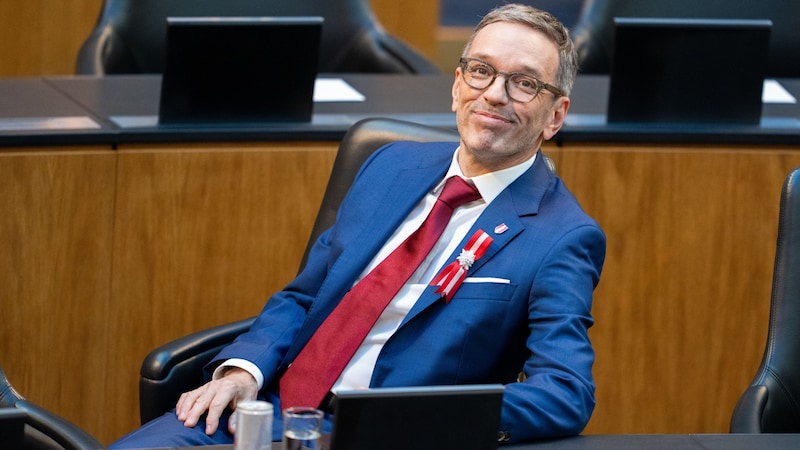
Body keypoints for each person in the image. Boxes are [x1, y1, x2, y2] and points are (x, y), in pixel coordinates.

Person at [111, 3, 605, 447]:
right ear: (457, 86)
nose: (494, 95)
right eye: (481, 71)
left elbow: (564, 392)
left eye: (524, 83)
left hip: (380, 438)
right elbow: (306, 296)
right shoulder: (389, 167)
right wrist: (244, 370)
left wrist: (428, 420)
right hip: (263, 411)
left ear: (555, 115)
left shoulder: (561, 236)